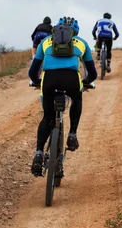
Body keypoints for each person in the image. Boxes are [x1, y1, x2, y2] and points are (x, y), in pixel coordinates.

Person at [28, 17, 97, 176]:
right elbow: (92, 73)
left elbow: (32, 71)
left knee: (47, 116)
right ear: (76, 32)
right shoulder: (81, 43)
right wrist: (86, 82)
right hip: (71, 80)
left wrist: (37, 81)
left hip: (49, 81)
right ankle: (72, 134)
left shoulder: (46, 41)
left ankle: (38, 153)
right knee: (77, 99)